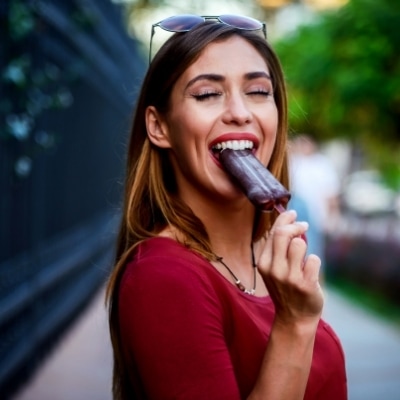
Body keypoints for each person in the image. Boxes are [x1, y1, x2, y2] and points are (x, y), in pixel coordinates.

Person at [106, 15, 347, 400]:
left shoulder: (270, 263)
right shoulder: (164, 277)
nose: (240, 112)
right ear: (159, 127)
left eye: (257, 91)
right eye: (206, 94)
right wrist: (296, 324)